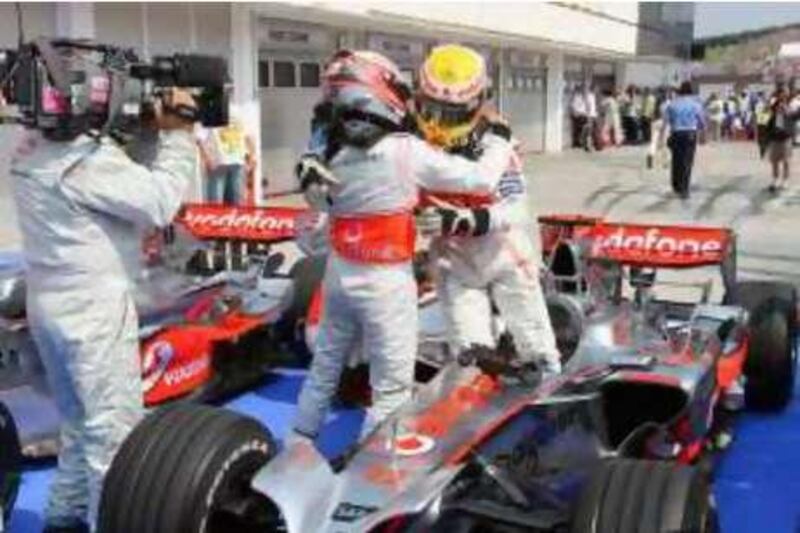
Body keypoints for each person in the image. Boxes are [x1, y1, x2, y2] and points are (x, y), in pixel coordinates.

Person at [290, 50, 514, 442]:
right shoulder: (406, 150)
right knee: (391, 387)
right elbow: (481, 181)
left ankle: (297, 444)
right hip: (386, 282)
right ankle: (370, 476)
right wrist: (499, 140)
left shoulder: (328, 156)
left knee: (324, 370)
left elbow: (318, 210)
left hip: (339, 275)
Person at [10, 77, 198, 532]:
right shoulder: (87, 162)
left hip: (50, 301)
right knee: (112, 434)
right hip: (92, 310)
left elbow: (117, 188)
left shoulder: (33, 149)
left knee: (78, 425)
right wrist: (177, 135)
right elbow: (158, 203)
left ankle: (63, 517)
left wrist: (141, 139)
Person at [414, 44, 561, 378]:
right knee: (470, 355)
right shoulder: (411, 144)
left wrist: (471, 220)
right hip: (453, 260)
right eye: (432, 109)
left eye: (451, 112)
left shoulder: (497, 144)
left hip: (504, 254)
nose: (439, 121)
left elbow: (517, 209)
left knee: (538, 349)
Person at [196, 112, 255, 205]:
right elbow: (199, 139)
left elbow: (248, 136)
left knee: (238, 199)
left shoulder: (239, 113)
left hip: (238, 162)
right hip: (219, 163)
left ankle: (236, 217)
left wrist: (252, 156)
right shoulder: (212, 114)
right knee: (215, 200)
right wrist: (207, 158)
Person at [663, 81, 706, 199]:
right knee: (687, 161)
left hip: (676, 133)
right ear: (691, 92)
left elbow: (666, 121)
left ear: (680, 91)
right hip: (690, 134)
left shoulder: (672, 104)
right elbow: (701, 121)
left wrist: (665, 135)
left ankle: (676, 185)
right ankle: (684, 189)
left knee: (676, 160)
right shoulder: (695, 104)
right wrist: (703, 134)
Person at [765, 86, 800, 192]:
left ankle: (785, 180)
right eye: (782, 93)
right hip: (774, 137)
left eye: (786, 93)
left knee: (786, 160)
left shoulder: (791, 105)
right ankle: (775, 179)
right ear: (778, 94)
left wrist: (787, 111)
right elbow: (765, 118)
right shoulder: (773, 105)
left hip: (785, 137)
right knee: (774, 161)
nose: (784, 95)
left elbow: (795, 116)